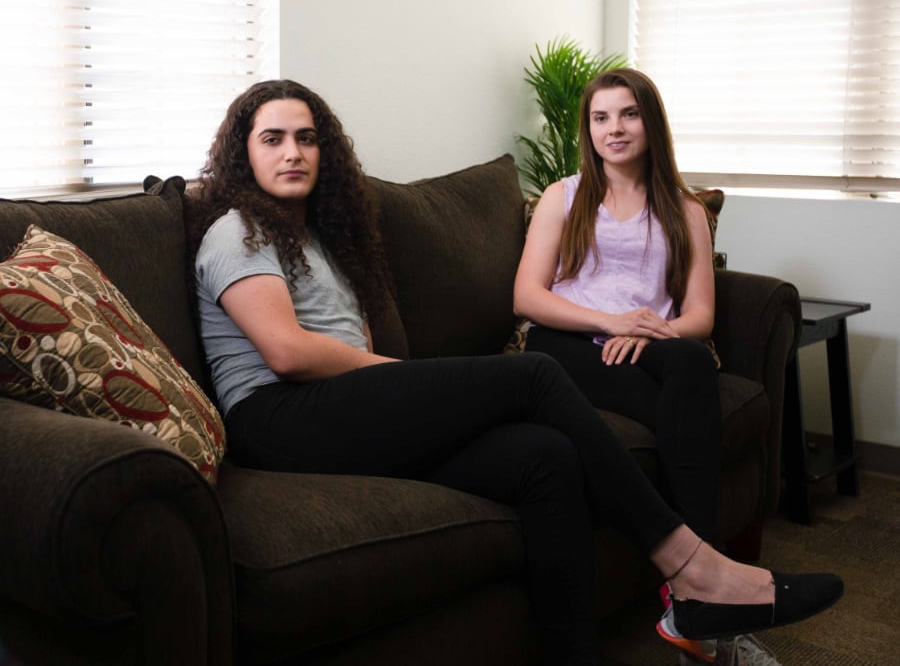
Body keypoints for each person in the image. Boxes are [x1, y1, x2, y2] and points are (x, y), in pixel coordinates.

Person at [190, 79, 841, 666]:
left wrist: (393, 385)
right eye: (273, 139)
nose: (294, 152)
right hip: (279, 416)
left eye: (306, 138)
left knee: (546, 458)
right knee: (533, 375)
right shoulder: (238, 231)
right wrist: (391, 374)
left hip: (341, 408)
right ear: (244, 153)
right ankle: (692, 568)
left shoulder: (320, 239)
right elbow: (287, 352)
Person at [511, 67, 763, 661]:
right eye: (600, 118)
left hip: (648, 345)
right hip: (565, 343)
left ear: (651, 122)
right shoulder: (563, 197)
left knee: (691, 364)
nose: (614, 129)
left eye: (628, 114)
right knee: (685, 414)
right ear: (589, 129)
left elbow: (700, 314)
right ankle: (700, 591)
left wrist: (652, 332)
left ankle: (691, 589)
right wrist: (611, 322)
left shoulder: (685, 209)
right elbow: (526, 297)